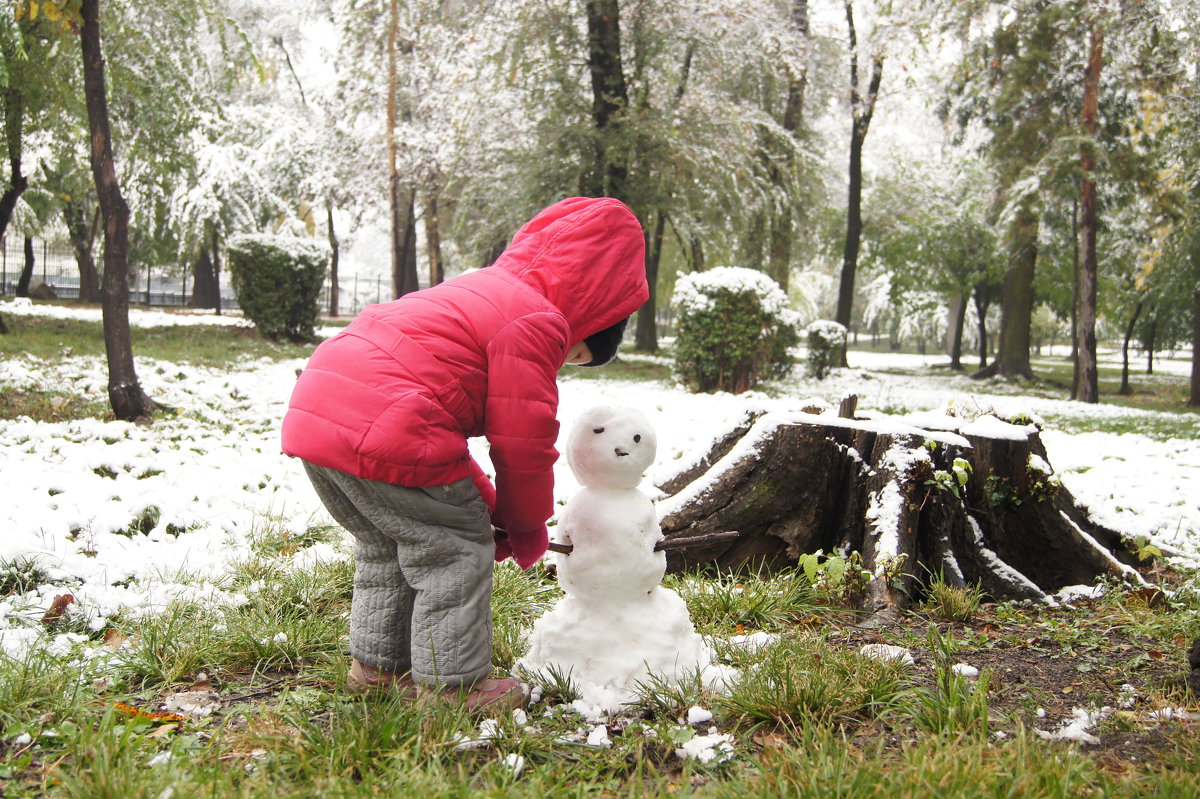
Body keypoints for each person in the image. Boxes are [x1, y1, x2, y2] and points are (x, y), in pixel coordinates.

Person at [281, 196, 648, 713]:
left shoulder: (480, 290)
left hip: (319, 410)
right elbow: (523, 444)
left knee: (389, 540)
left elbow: (433, 442)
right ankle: (453, 687)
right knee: (453, 551)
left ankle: (378, 668)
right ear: (588, 316)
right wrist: (524, 525)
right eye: (577, 353)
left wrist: (486, 506)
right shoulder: (538, 322)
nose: (564, 362)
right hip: (390, 421)